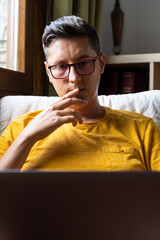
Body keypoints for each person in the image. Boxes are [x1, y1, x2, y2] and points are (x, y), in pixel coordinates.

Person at [0, 15, 160, 171]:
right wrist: (29, 137)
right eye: (61, 66)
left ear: (101, 63)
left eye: (83, 63)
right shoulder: (21, 129)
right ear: (48, 72)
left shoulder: (142, 129)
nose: (74, 78)